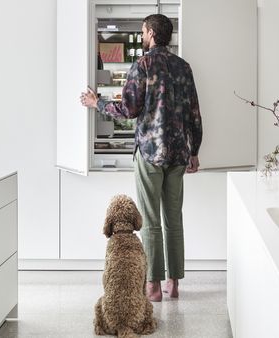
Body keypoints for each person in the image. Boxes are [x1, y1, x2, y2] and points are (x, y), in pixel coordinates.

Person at [80, 14, 202, 302]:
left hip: (149, 152)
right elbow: (194, 113)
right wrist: (194, 150)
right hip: (178, 154)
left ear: (149, 33)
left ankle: (153, 287)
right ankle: (174, 283)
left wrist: (98, 103)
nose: (142, 35)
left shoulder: (143, 64)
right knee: (174, 218)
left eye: (143, 31)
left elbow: (129, 109)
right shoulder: (184, 68)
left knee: (150, 220)